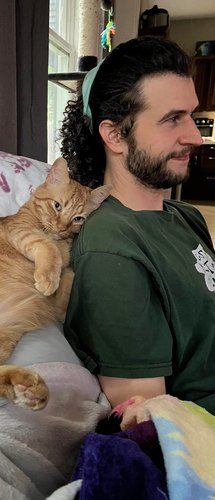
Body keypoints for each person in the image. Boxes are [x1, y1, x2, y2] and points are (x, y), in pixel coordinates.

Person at [60, 36, 215, 415]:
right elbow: (151, 414)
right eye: (171, 119)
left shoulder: (185, 215)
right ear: (115, 135)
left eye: (190, 116)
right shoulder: (110, 249)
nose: (195, 136)